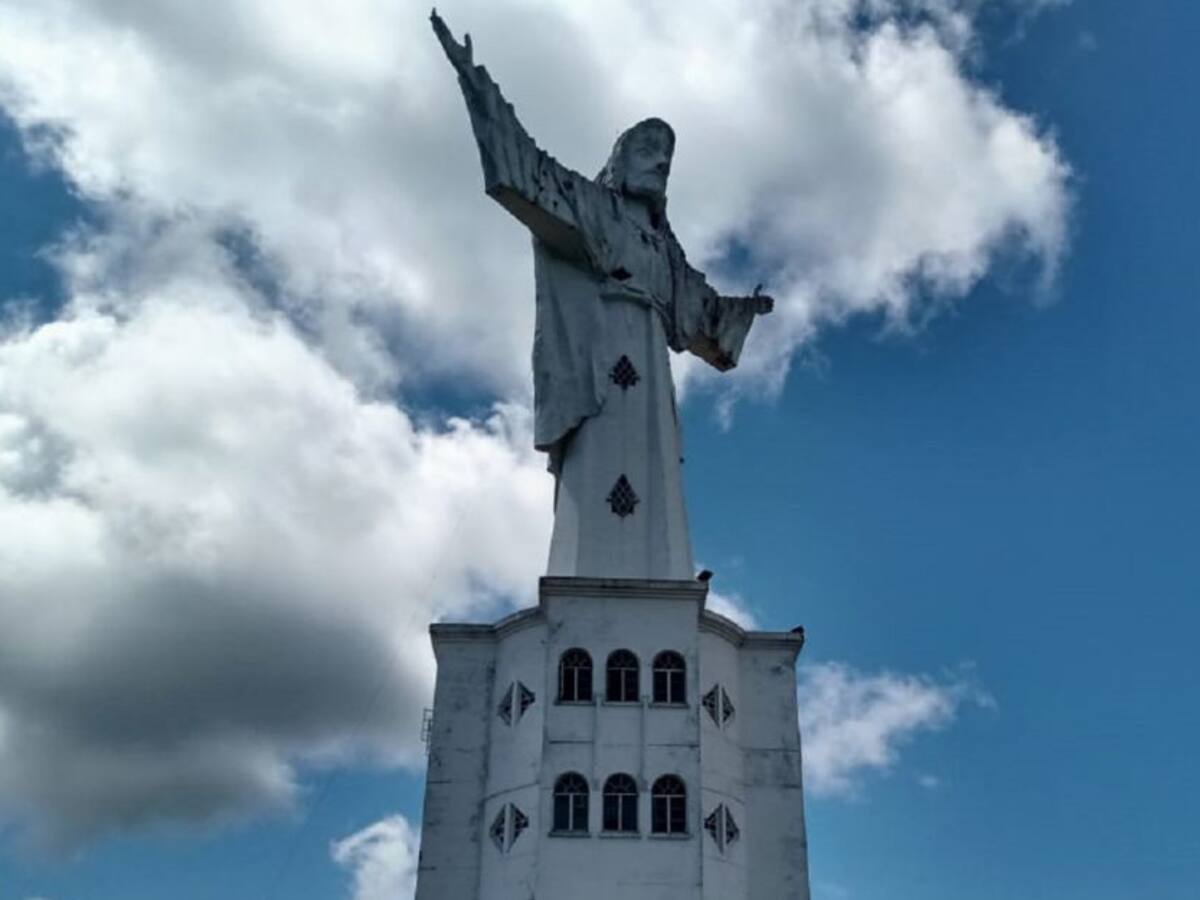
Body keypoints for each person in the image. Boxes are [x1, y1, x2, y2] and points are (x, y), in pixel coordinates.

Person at [432, 9, 773, 579]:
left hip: (648, 365)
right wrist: (481, 92)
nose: (660, 164)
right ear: (620, 160)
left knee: (654, 463)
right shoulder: (591, 207)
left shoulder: (666, 250)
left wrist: (742, 310)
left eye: (666, 159)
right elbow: (528, 172)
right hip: (599, 354)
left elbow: (702, 311)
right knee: (601, 465)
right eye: (648, 152)